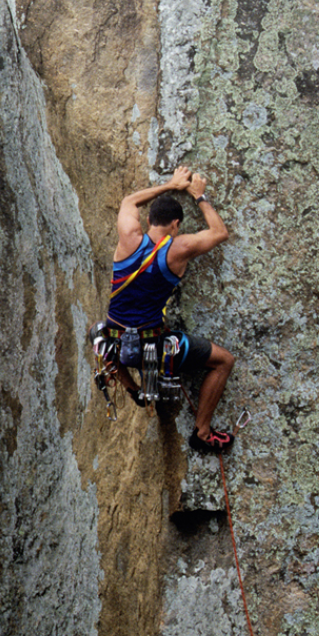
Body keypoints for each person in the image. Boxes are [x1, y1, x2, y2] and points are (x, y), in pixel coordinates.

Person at [105, 165, 236, 454]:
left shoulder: (128, 238)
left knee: (97, 333)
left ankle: (134, 390)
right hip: (154, 346)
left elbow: (129, 202)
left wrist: (171, 184)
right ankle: (202, 432)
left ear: (148, 219)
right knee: (224, 361)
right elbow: (220, 232)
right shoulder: (178, 249)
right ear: (175, 225)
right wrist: (199, 196)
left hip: (115, 341)